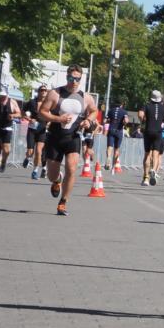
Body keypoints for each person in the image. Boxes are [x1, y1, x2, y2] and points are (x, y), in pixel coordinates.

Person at [39, 65, 97, 216]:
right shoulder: (55, 94)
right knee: (51, 175)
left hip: (73, 137)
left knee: (71, 168)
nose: (74, 81)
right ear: (67, 77)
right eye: (72, 78)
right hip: (55, 137)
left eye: (77, 79)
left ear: (81, 79)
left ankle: (63, 202)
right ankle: (57, 180)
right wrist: (59, 118)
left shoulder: (85, 97)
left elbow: (94, 110)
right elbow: (42, 112)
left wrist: (89, 121)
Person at [0, 90, 21, 175]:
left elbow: (19, 114)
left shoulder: (12, 102)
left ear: (7, 95)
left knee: (6, 150)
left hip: (7, 128)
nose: (2, 97)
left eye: (4, 96)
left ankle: (3, 162)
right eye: (1, 95)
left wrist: (13, 115)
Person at [139, 90, 164, 186]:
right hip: (158, 132)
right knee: (155, 154)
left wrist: (142, 120)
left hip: (148, 131)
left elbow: (140, 114)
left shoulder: (146, 105)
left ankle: (145, 177)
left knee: (147, 154)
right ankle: (154, 170)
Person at [22, 86, 49, 179]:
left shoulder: (49, 103)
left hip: (42, 130)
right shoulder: (32, 102)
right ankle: (27, 158)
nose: (44, 92)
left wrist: (49, 123)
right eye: (42, 90)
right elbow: (22, 112)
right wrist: (29, 119)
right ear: (38, 92)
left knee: (39, 151)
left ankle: (35, 170)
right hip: (32, 130)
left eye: (45, 90)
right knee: (30, 151)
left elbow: (53, 115)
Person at [106, 99, 129, 172]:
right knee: (117, 149)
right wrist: (125, 123)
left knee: (110, 146)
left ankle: (108, 157)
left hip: (111, 129)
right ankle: (113, 165)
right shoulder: (124, 111)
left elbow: (105, 120)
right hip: (119, 131)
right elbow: (126, 120)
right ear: (121, 105)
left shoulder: (110, 111)